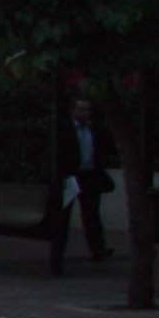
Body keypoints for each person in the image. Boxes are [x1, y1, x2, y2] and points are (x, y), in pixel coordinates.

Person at [48, 92, 113, 271]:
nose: (85, 113)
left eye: (87, 110)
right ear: (73, 110)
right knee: (63, 215)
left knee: (92, 214)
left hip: (89, 175)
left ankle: (98, 249)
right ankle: (58, 252)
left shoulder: (94, 129)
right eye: (81, 109)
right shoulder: (64, 129)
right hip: (70, 175)